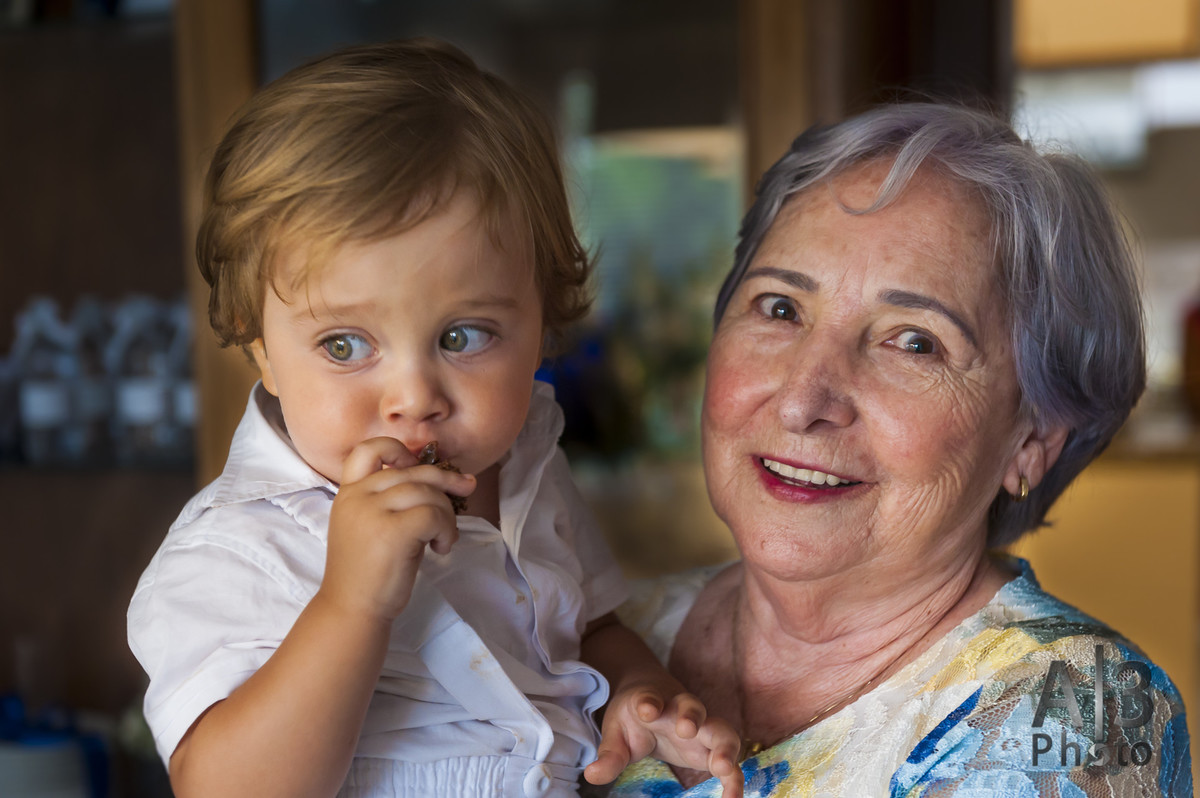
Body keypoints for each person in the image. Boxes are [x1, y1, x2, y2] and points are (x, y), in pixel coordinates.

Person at [126, 39, 741, 798]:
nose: (414, 396)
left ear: (542, 327)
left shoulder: (529, 469)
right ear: (263, 355)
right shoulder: (241, 548)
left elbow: (587, 631)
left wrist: (642, 693)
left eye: (463, 336)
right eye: (344, 344)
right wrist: (350, 604)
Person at [607, 102, 1192, 796]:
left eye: (914, 342)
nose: (802, 400)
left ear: (1031, 439)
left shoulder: (1071, 713)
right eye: (780, 308)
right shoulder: (603, 638)